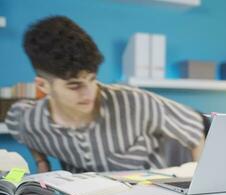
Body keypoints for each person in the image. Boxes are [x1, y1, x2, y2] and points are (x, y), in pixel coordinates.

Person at [5, 16, 206, 173]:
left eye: (92, 79)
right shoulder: (27, 119)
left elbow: (196, 130)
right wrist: (41, 162)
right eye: (74, 86)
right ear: (43, 86)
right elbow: (19, 126)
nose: (89, 93)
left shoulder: (135, 102)